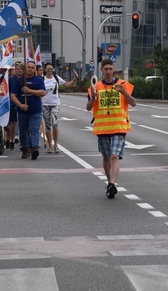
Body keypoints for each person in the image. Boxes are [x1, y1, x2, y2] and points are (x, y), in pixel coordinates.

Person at [86, 59, 136, 198]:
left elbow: (133, 103)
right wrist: (93, 98)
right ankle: (109, 182)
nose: (108, 71)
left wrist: (124, 93)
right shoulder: (95, 87)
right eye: (105, 69)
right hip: (102, 128)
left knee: (115, 156)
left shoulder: (123, 85)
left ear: (114, 69)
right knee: (106, 157)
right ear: (101, 70)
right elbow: (88, 107)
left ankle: (113, 184)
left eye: (110, 69)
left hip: (119, 126)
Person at [10, 61, 46, 160]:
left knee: (34, 130)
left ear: (34, 69)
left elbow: (43, 92)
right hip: (22, 111)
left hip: (35, 110)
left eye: (32, 67)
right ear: (25, 68)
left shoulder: (38, 80)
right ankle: (25, 149)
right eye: (28, 67)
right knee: (23, 131)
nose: (30, 69)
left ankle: (34, 148)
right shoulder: (19, 81)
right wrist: (20, 105)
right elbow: (13, 95)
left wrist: (30, 91)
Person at [42, 62, 77, 153]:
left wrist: (74, 79)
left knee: (55, 123)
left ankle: (56, 145)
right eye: (48, 69)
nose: (50, 70)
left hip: (55, 103)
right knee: (48, 126)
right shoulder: (42, 79)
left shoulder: (56, 78)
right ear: (45, 70)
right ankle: (50, 145)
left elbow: (67, 84)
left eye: (51, 68)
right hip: (45, 104)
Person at [5, 63, 23, 150]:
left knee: (20, 124)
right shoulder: (11, 79)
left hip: (22, 103)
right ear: (15, 70)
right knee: (11, 124)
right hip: (12, 103)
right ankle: (10, 140)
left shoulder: (25, 80)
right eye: (17, 69)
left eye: (21, 69)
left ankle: (18, 141)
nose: (19, 70)